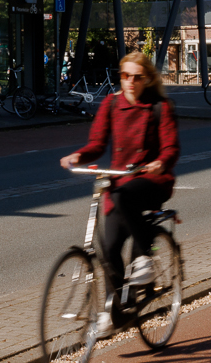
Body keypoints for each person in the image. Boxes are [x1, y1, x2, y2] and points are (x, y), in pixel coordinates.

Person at [60, 50, 180, 332]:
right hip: (119, 183)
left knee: (124, 198)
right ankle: (117, 312)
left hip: (152, 181)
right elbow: (98, 144)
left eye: (137, 77)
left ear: (148, 79)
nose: (130, 82)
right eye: (125, 75)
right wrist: (79, 156)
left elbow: (172, 146)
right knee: (109, 249)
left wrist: (161, 162)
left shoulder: (160, 107)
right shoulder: (111, 104)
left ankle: (145, 259)